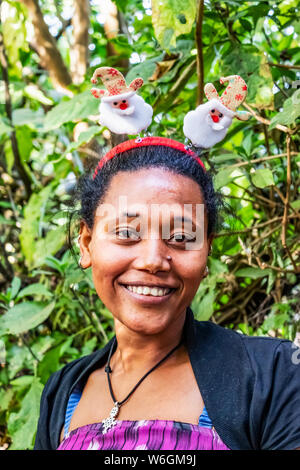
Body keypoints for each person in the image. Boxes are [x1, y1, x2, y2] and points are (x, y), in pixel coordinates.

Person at [34, 137, 300, 450]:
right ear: (86, 242)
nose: (152, 261)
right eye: (125, 233)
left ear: (207, 251)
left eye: (181, 237)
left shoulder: (275, 373)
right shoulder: (63, 392)